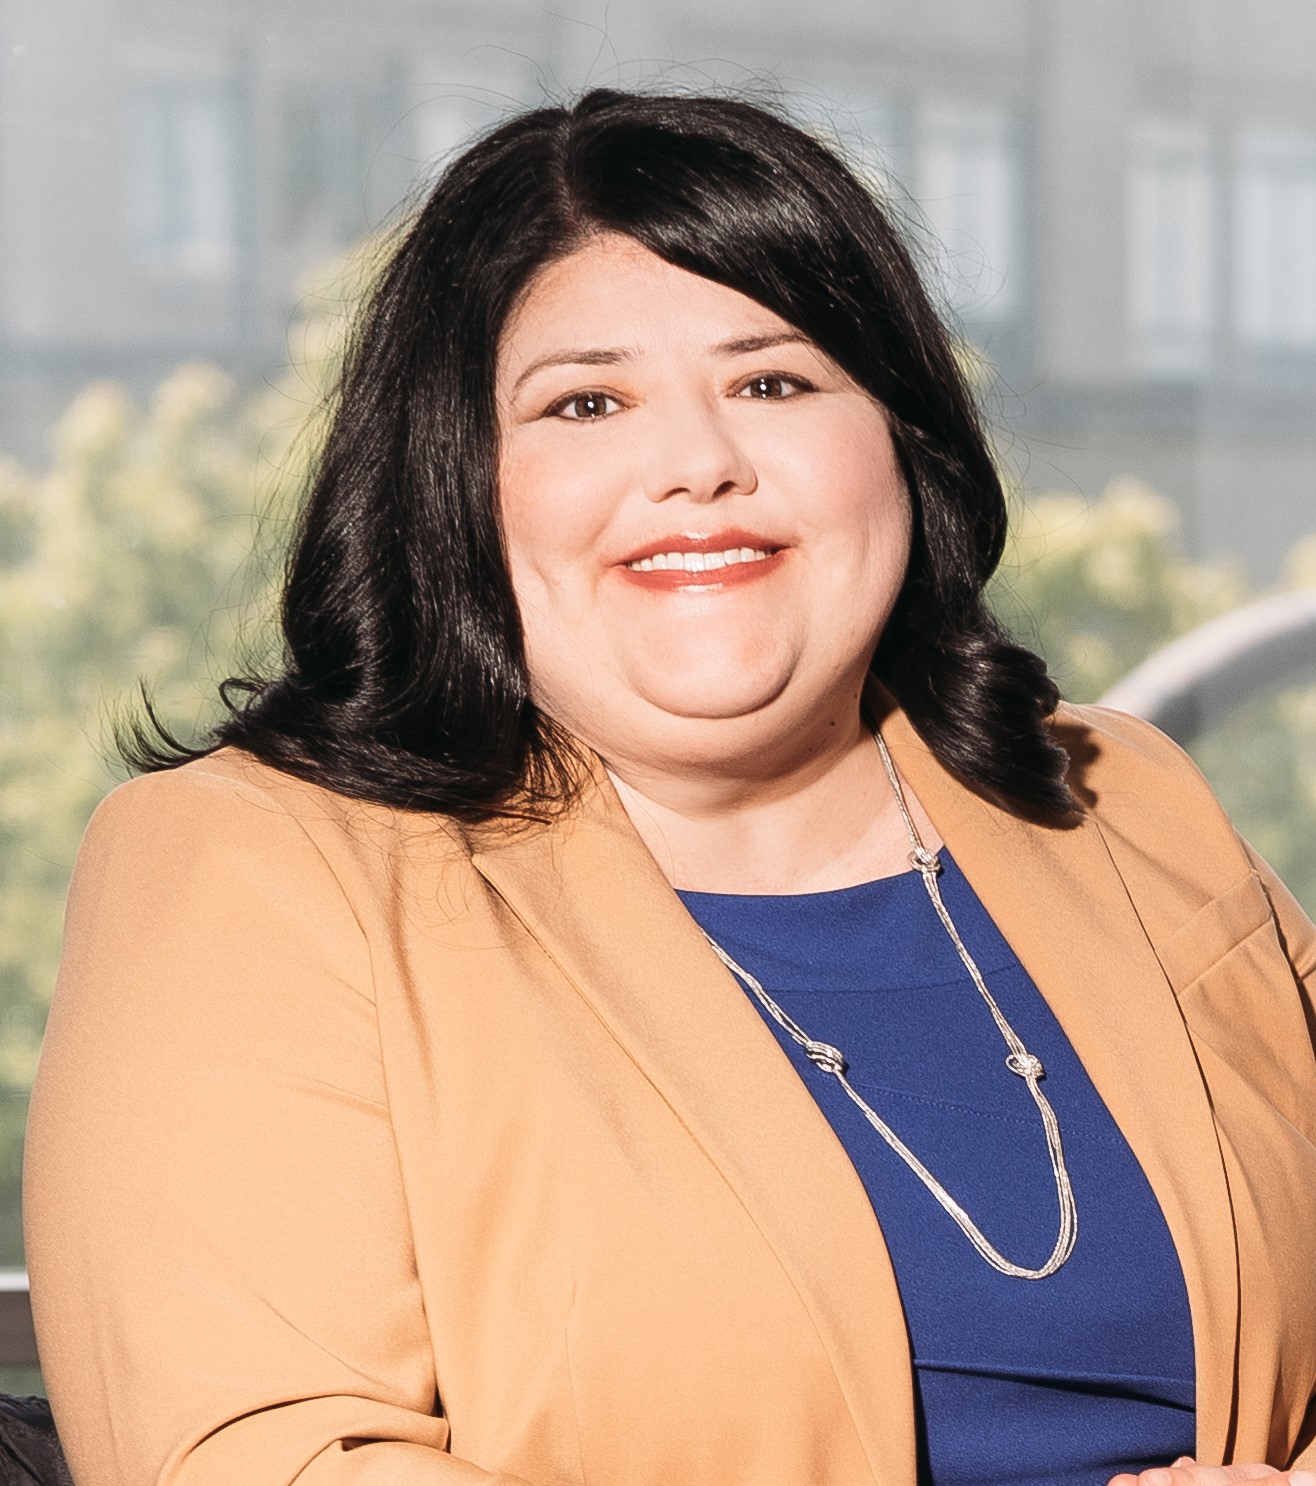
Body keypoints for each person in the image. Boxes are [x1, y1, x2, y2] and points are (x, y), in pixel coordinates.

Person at [22, 89, 1316, 1486]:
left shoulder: (1129, 801)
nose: (699, 463)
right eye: (586, 401)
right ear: (456, 483)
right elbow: (265, 1456)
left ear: (901, 440)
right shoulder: (251, 870)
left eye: (775, 381)